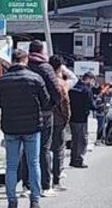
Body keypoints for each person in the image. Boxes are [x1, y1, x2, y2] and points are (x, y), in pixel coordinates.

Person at [0, 49, 50, 208]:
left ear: (12, 60)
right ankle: (35, 200)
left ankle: (12, 201)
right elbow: (46, 102)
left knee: (11, 165)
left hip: (10, 127)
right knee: (33, 163)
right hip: (32, 127)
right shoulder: (35, 78)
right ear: (25, 60)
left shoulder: (2, 80)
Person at [19, 41, 60, 197]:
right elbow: (57, 91)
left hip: (24, 113)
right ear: (42, 51)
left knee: (26, 150)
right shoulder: (46, 67)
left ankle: (26, 186)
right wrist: (51, 105)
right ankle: (45, 186)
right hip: (44, 114)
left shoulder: (24, 66)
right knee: (44, 149)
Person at [47, 56, 71, 192]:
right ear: (59, 67)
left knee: (43, 150)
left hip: (44, 118)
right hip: (58, 120)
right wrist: (66, 118)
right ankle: (56, 180)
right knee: (58, 150)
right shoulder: (61, 83)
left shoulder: (43, 79)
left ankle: (42, 180)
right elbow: (65, 103)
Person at [68, 73, 96, 167]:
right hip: (82, 118)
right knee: (82, 140)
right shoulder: (86, 90)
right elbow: (90, 105)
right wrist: (98, 107)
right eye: (93, 81)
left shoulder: (73, 87)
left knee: (75, 139)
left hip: (72, 117)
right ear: (89, 79)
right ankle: (78, 160)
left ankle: (73, 159)